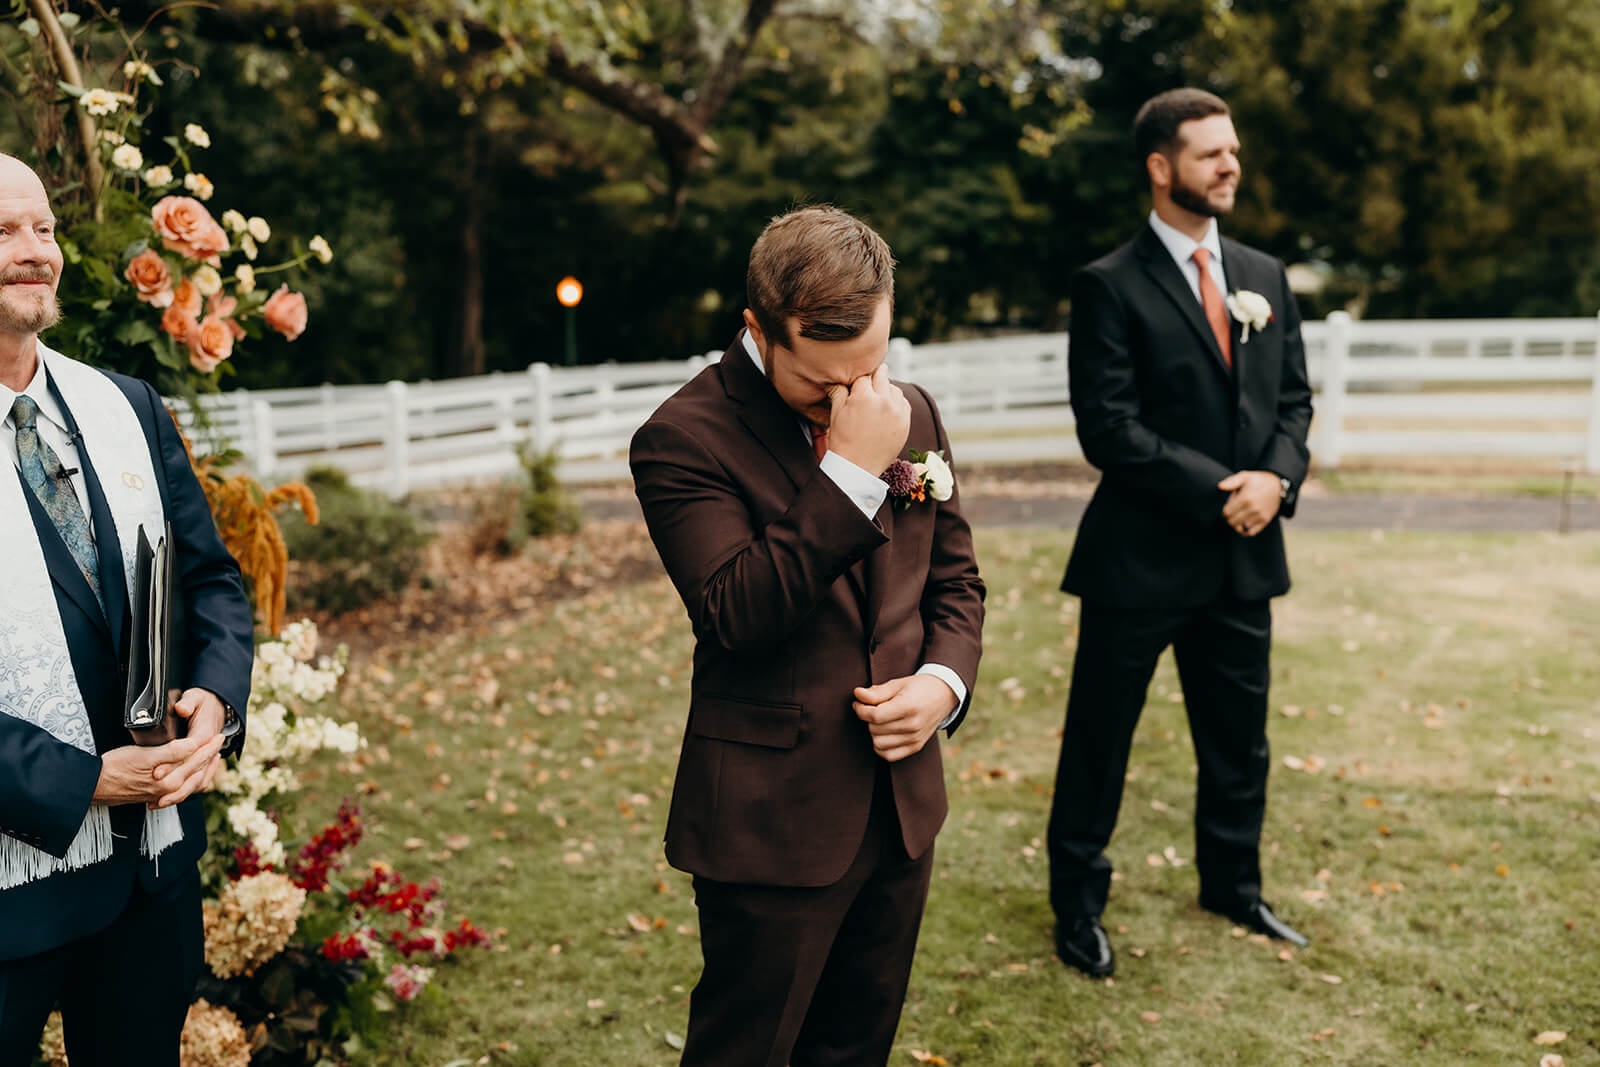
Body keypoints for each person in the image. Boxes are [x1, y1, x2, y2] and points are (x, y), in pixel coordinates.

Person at [630, 205, 985, 1066]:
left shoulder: (913, 410)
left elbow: (954, 582)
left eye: (872, 367)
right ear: (758, 330)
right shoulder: (682, 439)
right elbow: (737, 613)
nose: (857, 399)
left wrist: (941, 684)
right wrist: (852, 472)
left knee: (856, 1047)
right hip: (771, 819)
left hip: (902, 809)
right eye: (824, 384)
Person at [1044, 89, 1315, 978]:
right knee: (1100, 742)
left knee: (1240, 743)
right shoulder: (1108, 284)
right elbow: (1109, 429)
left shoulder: (1265, 276)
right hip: (1138, 562)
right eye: (1210, 153)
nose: (1231, 164)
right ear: (1161, 167)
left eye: (1232, 149)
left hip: (1244, 559)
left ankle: (1233, 885)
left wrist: (1276, 480)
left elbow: (1294, 403)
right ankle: (1078, 906)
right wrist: (1224, 491)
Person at [0, 154, 254, 1064]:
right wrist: (83, 783)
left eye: (44, 228)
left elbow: (212, 583)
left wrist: (215, 702)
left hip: (149, 876)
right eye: (2, 231)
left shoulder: (124, 405)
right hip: (11, 894)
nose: (35, 251)